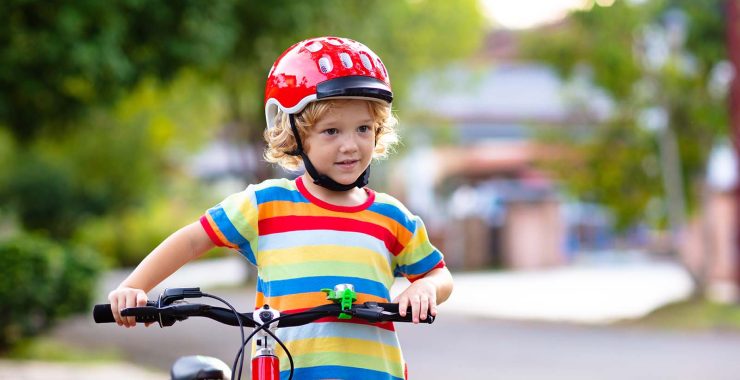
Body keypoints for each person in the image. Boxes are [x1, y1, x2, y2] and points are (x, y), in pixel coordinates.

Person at [108, 36, 453, 380]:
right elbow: (193, 239)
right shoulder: (267, 205)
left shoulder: (391, 216)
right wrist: (134, 287)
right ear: (295, 135)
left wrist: (424, 287)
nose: (350, 145)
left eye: (363, 128)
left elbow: (439, 274)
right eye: (331, 131)